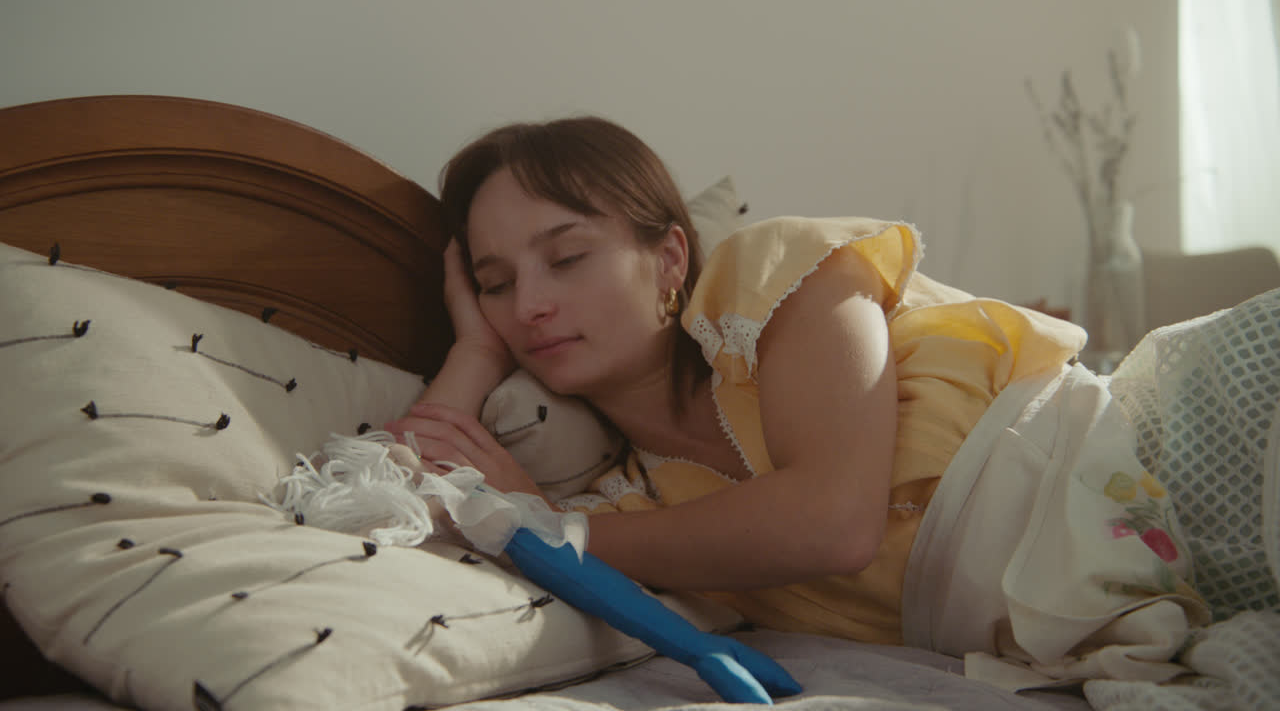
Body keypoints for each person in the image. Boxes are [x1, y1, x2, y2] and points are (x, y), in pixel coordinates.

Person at [384, 116, 1273, 688]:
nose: (530, 303)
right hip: (1127, 595)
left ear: (668, 260)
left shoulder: (774, 281)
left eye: (567, 258)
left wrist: (547, 532)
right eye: (496, 283)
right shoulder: (633, 498)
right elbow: (379, 498)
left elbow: (831, 523)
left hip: (1180, 436)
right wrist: (472, 350)